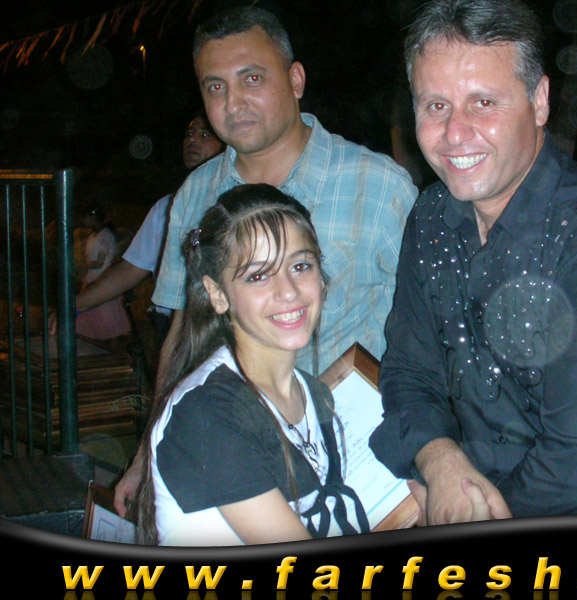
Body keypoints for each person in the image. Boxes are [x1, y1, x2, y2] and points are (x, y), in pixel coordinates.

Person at [369, 0, 577, 524]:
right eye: (436, 105)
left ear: (539, 101)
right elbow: (409, 371)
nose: (455, 133)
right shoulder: (433, 218)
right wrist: (439, 460)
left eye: (483, 102)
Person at [113, 5, 416, 516]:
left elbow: (430, 329)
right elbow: (183, 335)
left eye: (252, 78)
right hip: (230, 459)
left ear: (296, 80)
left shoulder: (379, 186)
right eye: (215, 86)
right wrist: (147, 451)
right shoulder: (195, 196)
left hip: (362, 460)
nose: (233, 103)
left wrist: (433, 450)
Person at [137, 184, 369, 545]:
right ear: (217, 294)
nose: (288, 291)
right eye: (258, 276)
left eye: (300, 266)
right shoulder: (206, 412)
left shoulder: (313, 393)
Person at [49, 114, 224, 346]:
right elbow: (131, 269)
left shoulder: (234, 206)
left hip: (220, 329)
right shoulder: (167, 207)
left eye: (205, 134)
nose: (193, 140)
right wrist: (73, 306)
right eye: (189, 134)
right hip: (174, 329)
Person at [73, 203, 131, 340]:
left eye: (86, 217)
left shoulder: (105, 236)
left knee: (107, 327)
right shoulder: (92, 236)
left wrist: (80, 266)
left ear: (94, 217)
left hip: (102, 282)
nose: (83, 220)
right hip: (92, 280)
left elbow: (98, 263)